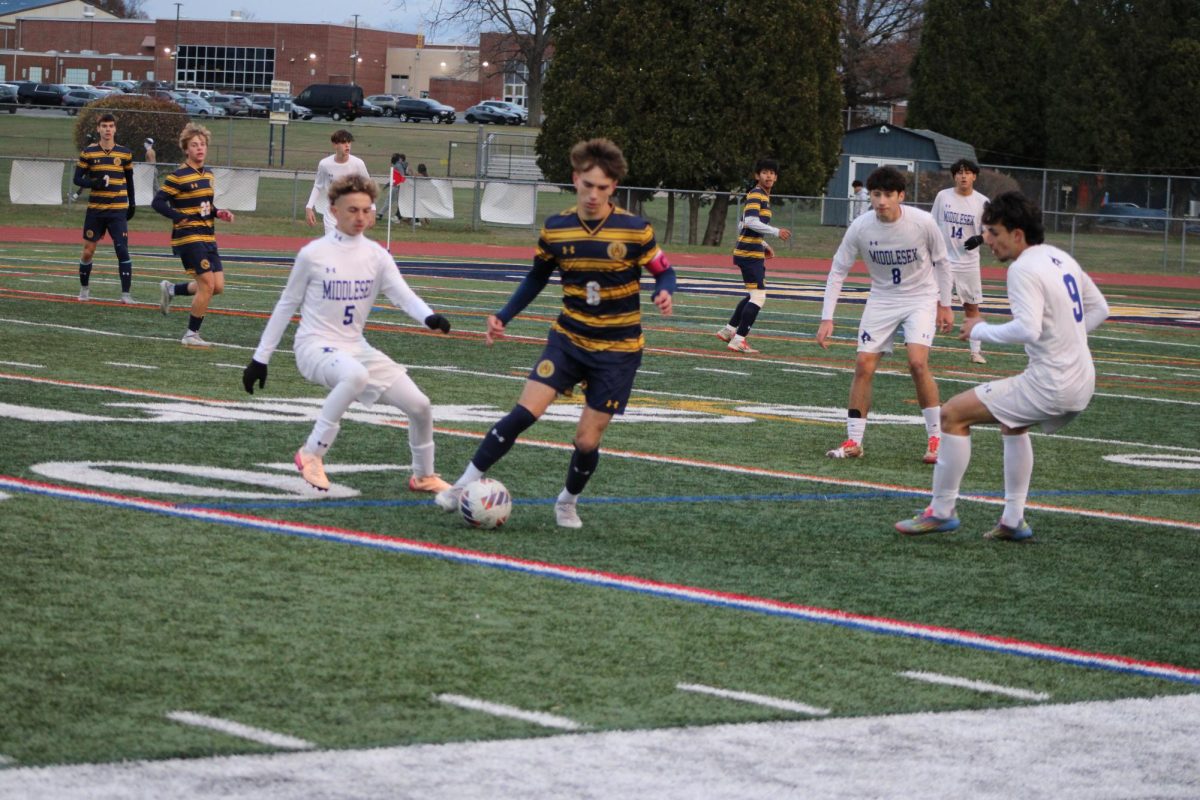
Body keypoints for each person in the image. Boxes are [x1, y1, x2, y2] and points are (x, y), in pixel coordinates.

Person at [434, 138, 676, 529]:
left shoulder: (634, 229)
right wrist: (503, 315)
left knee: (586, 441)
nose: (593, 194)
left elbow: (665, 271)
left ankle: (566, 502)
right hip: (568, 340)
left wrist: (665, 290)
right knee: (524, 412)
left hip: (618, 350)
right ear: (575, 179)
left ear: (613, 187)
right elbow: (536, 277)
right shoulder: (557, 228)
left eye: (602, 187)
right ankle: (460, 485)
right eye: (587, 185)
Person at [896, 191, 1109, 540]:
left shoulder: (1023, 268)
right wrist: (1067, 339)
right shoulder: (1059, 257)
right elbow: (1101, 308)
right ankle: (1012, 519)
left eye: (994, 232)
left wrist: (980, 329)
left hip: (1051, 384)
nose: (988, 240)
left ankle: (942, 510)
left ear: (1017, 234)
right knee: (1013, 424)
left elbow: (1028, 329)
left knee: (952, 414)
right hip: (1082, 380)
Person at [242, 174, 454, 494]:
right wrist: (260, 358)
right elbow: (286, 305)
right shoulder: (313, 254)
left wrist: (429, 317)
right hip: (314, 347)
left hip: (356, 347)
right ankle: (311, 453)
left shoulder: (377, 256)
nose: (360, 217)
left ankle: (424, 475)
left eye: (366, 210)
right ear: (334, 210)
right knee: (355, 376)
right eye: (352, 210)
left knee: (420, 405)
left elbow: (403, 295)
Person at [816, 165, 954, 463]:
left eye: (888, 194)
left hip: (920, 298)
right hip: (882, 299)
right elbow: (838, 269)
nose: (881, 201)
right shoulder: (860, 227)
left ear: (901, 196)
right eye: (876, 194)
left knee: (917, 363)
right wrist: (827, 317)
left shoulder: (922, 222)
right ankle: (854, 441)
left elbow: (943, 262)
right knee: (863, 365)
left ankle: (936, 438)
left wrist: (945, 304)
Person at [153, 122, 235, 348]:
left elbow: (206, 205)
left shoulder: (208, 175)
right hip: (188, 236)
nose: (200, 148)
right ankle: (191, 335)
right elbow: (157, 202)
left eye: (202, 144)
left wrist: (219, 212)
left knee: (217, 286)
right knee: (207, 284)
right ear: (186, 149)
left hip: (208, 236)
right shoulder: (178, 176)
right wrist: (177, 216)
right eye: (194, 145)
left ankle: (172, 289)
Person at [716, 158, 792, 353]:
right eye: (765, 172)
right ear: (757, 175)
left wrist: (763, 244)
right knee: (758, 297)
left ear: (776, 177)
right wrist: (775, 232)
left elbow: (743, 223)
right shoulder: (757, 194)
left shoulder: (762, 196)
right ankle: (738, 340)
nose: (769, 176)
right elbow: (750, 221)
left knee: (753, 294)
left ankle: (728, 330)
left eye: (772, 173)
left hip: (752, 250)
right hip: (748, 253)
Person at [932, 159, 990, 364]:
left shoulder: (983, 202)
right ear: (954, 176)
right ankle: (920, 343)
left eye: (967, 172)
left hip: (968, 263)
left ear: (974, 176)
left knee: (971, 307)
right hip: (943, 262)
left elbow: (992, 231)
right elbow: (931, 224)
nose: (963, 176)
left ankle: (975, 351)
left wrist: (980, 238)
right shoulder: (943, 196)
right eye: (959, 172)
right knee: (930, 303)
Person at [73, 113, 135, 303]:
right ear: (98, 129)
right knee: (88, 251)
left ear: (115, 129)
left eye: (111, 126)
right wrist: (94, 183)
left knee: (122, 250)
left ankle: (126, 295)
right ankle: (84, 289)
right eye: (104, 126)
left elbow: (129, 180)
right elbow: (77, 179)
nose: (108, 129)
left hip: (117, 210)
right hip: (96, 211)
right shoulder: (89, 153)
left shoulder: (125, 153)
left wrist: (132, 203)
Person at [305, 130, 370, 236]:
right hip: (332, 215)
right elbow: (318, 186)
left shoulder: (358, 164)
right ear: (335, 145)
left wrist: (372, 209)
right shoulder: (325, 164)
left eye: (349, 142)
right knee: (333, 244)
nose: (347, 145)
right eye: (343, 142)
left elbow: (368, 187)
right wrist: (309, 207)